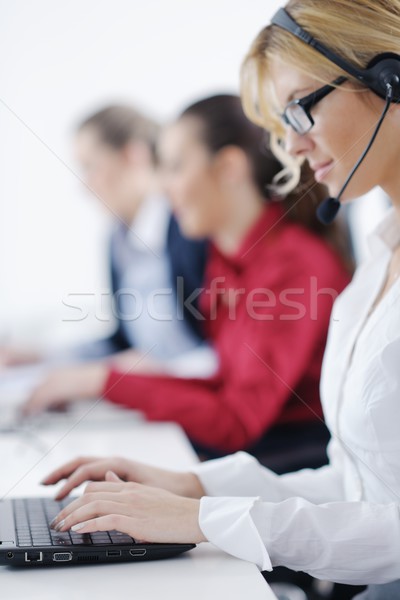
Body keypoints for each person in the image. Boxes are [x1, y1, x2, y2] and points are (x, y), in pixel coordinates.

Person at [42, 1, 400, 598]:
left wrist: (203, 518)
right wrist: (193, 488)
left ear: (391, 81)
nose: (291, 143)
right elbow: (360, 482)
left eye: (298, 108)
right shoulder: (378, 264)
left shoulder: (302, 266)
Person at [24, 94, 351, 470]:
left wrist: (105, 382)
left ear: (229, 166)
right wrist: (105, 381)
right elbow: (224, 384)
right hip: (259, 452)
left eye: (176, 167)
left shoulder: (293, 265)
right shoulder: (225, 261)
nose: (163, 188)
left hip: (298, 461)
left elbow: (237, 421)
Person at [0, 104, 211, 374]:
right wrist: (43, 356)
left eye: (91, 167)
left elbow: (220, 349)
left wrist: (154, 372)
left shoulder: (191, 227)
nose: (85, 185)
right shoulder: (118, 241)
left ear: (133, 156)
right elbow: (123, 344)